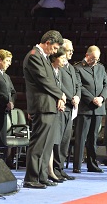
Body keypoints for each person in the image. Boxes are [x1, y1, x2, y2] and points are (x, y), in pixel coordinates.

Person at [23, 30, 66, 189]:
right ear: (47, 42)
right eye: (54, 48)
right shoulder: (34, 56)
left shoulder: (44, 57)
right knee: (38, 143)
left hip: (49, 105)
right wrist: (60, 95)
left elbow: (52, 80)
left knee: (47, 144)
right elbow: (43, 80)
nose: (55, 52)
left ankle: (41, 176)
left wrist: (58, 98)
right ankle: (31, 178)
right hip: (41, 105)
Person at [73, 45, 107, 173]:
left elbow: (106, 85)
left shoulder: (101, 67)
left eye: (97, 59)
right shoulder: (77, 68)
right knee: (81, 137)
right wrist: (92, 98)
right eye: (93, 58)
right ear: (87, 56)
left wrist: (102, 98)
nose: (95, 61)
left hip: (98, 108)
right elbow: (79, 86)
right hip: (85, 107)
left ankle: (92, 164)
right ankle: (77, 165)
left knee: (93, 138)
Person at [53, 39, 80, 180]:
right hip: (62, 107)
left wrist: (77, 96)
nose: (71, 53)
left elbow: (78, 85)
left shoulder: (72, 68)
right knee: (58, 140)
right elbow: (59, 86)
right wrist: (71, 97)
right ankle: (55, 169)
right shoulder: (59, 67)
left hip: (71, 108)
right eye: (69, 50)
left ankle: (61, 167)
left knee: (65, 140)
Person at [48, 46, 67, 183]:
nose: (64, 61)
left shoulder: (59, 72)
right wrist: (59, 98)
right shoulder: (49, 70)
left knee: (54, 140)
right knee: (49, 141)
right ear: (55, 58)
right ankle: (49, 171)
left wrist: (61, 99)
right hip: (49, 107)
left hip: (57, 109)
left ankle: (51, 171)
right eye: (62, 58)